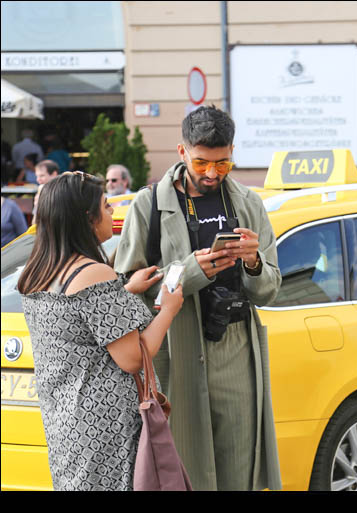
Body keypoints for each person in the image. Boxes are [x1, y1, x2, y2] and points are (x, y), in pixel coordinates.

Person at [114, 105, 283, 491]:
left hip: (236, 350)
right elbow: (126, 291)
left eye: (223, 164)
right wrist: (188, 274)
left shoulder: (247, 203)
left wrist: (254, 262)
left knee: (240, 472)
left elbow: (270, 288)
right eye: (202, 162)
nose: (212, 173)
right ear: (181, 151)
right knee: (183, 473)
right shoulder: (149, 205)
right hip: (178, 352)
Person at [17, 171, 184, 490]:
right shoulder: (93, 273)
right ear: (87, 218)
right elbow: (133, 358)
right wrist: (169, 310)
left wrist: (125, 290)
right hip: (107, 426)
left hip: (67, 419)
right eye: (106, 206)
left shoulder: (38, 270)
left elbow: (79, 324)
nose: (112, 213)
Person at [32, 160, 60, 224]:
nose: (38, 180)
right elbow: (34, 223)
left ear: (54, 174)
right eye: (37, 176)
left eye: (42, 176)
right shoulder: (40, 191)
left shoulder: (63, 192)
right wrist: (37, 206)